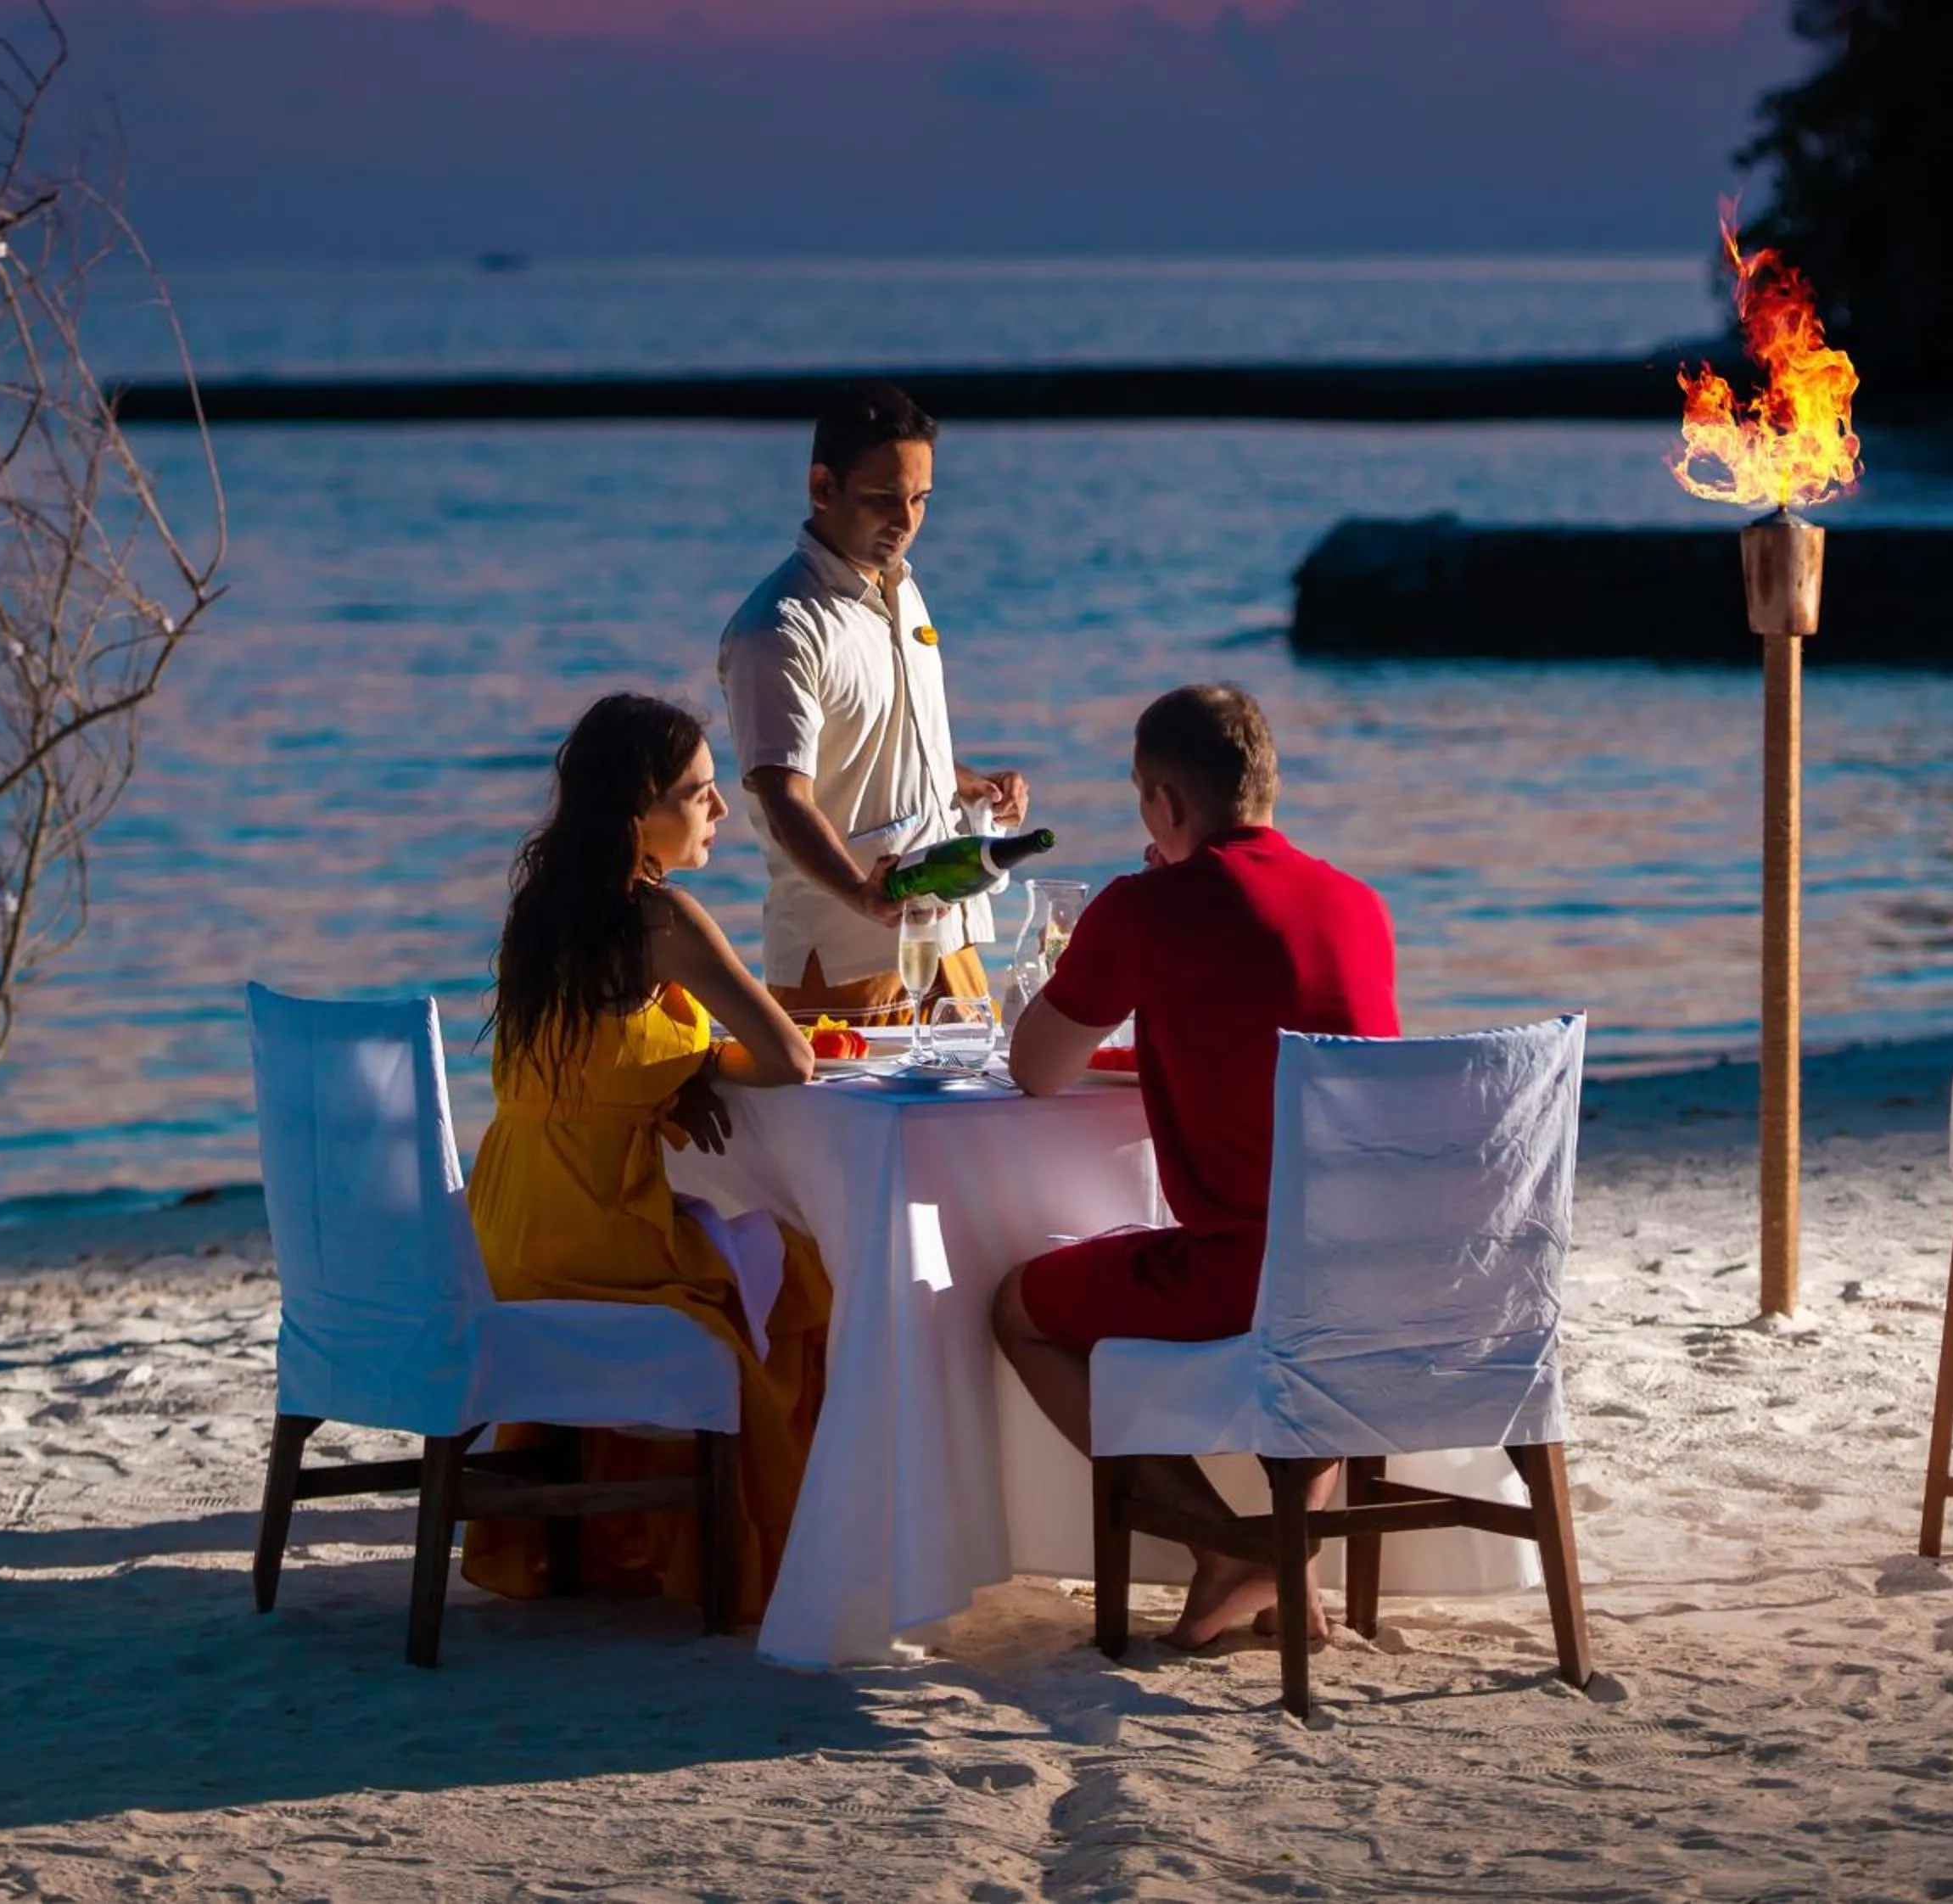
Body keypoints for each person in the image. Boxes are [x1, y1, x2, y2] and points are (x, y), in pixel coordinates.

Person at [992, 684, 1400, 1649]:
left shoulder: (1148, 908)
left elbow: (1036, 1068)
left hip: (1242, 1279)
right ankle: (1286, 1561)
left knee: (1016, 1309)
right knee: (1298, 1305)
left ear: (1166, 803)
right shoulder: (1358, 904)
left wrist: (1140, 918)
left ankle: (1225, 1546)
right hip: (1374, 1277)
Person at [461, 693, 831, 1623]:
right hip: (599, 1233)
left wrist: (684, 1066)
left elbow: (595, 1060)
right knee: (808, 1279)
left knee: (744, 1251)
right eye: (700, 792)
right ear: (640, 812)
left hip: (508, 1229)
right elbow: (791, 1059)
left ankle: (616, 1533)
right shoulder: (661, 920)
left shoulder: (539, 913)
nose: (722, 808)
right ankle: (774, 1544)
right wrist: (705, 1059)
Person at [719, 378, 1031, 1020]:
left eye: (920, 499)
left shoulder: (902, 589)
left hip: (951, 942)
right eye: (884, 500)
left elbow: (888, 742)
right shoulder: (777, 628)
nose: (907, 521)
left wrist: (969, 784)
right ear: (822, 488)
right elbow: (782, 794)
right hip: (844, 960)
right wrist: (862, 894)